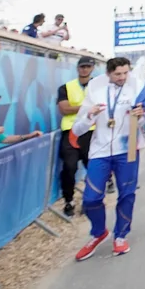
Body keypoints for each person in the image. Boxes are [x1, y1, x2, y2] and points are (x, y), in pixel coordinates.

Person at [70, 57, 145, 261]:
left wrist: (141, 115)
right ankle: (99, 232)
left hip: (128, 148)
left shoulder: (135, 88)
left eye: (125, 73)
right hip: (100, 151)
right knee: (91, 199)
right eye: (117, 74)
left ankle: (120, 236)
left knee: (126, 194)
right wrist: (89, 115)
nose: (122, 78)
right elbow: (77, 129)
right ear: (108, 74)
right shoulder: (95, 91)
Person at [57, 56, 97, 216]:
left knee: (93, 167)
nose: (85, 69)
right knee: (69, 167)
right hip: (71, 131)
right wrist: (89, 108)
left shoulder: (99, 87)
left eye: (88, 66)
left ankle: (91, 200)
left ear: (92, 68)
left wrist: (78, 108)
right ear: (78, 68)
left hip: (92, 130)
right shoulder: (65, 87)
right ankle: (69, 200)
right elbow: (64, 109)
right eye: (82, 67)